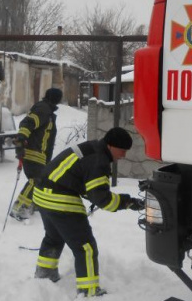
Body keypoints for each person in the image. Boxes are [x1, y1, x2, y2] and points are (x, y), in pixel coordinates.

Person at [32, 127, 145, 297]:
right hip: (60, 200)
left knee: (53, 237)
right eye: (122, 150)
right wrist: (128, 202)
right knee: (85, 247)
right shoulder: (99, 160)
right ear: (111, 146)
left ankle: (45, 275)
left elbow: (78, 176)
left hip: (42, 194)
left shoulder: (92, 148)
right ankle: (89, 290)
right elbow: (103, 200)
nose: (123, 155)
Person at [10, 88, 63, 220]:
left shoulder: (47, 111)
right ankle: (20, 207)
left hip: (40, 154)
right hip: (33, 152)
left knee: (42, 180)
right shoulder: (43, 109)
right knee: (36, 180)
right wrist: (21, 140)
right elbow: (27, 123)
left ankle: (33, 204)